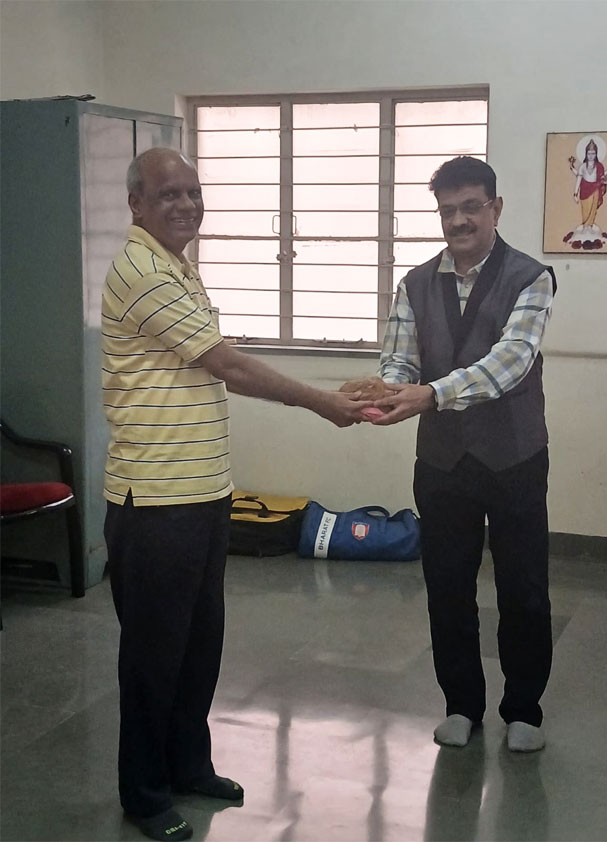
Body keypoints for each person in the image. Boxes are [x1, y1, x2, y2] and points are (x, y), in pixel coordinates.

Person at [102, 147, 372, 842]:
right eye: (169, 194)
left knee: (199, 644)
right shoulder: (141, 270)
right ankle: (145, 794)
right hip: (154, 502)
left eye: (193, 192)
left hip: (203, 493)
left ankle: (189, 765)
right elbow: (226, 364)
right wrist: (321, 401)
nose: (186, 204)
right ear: (136, 204)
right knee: (154, 656)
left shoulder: (178, 266)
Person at [367, 156, 556, 752]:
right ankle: (461, 705)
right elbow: (399, 357)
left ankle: (523, 709)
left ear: (495, 208)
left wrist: (429, 395)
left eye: (471, 207)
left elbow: (511, 361)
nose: (458, 220)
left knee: (523, 589)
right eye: (447, 210)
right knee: (447, 587)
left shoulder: (531, 277)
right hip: (442, 463)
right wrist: (388, 391)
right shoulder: (415, 283)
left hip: (515, 458)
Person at [569, 138, 607, 233]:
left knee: (593, 208)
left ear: (596, 154)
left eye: (593, 153)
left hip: (595, 189)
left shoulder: (599, 166)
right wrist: (575, 193)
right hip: (584, 190)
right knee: (585, 208)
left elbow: (602, 176)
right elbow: (579, 179)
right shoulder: (582, 166)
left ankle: (590, 225)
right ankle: (585, 225)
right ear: (586, 154)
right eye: (589, 153)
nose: (591, 156)